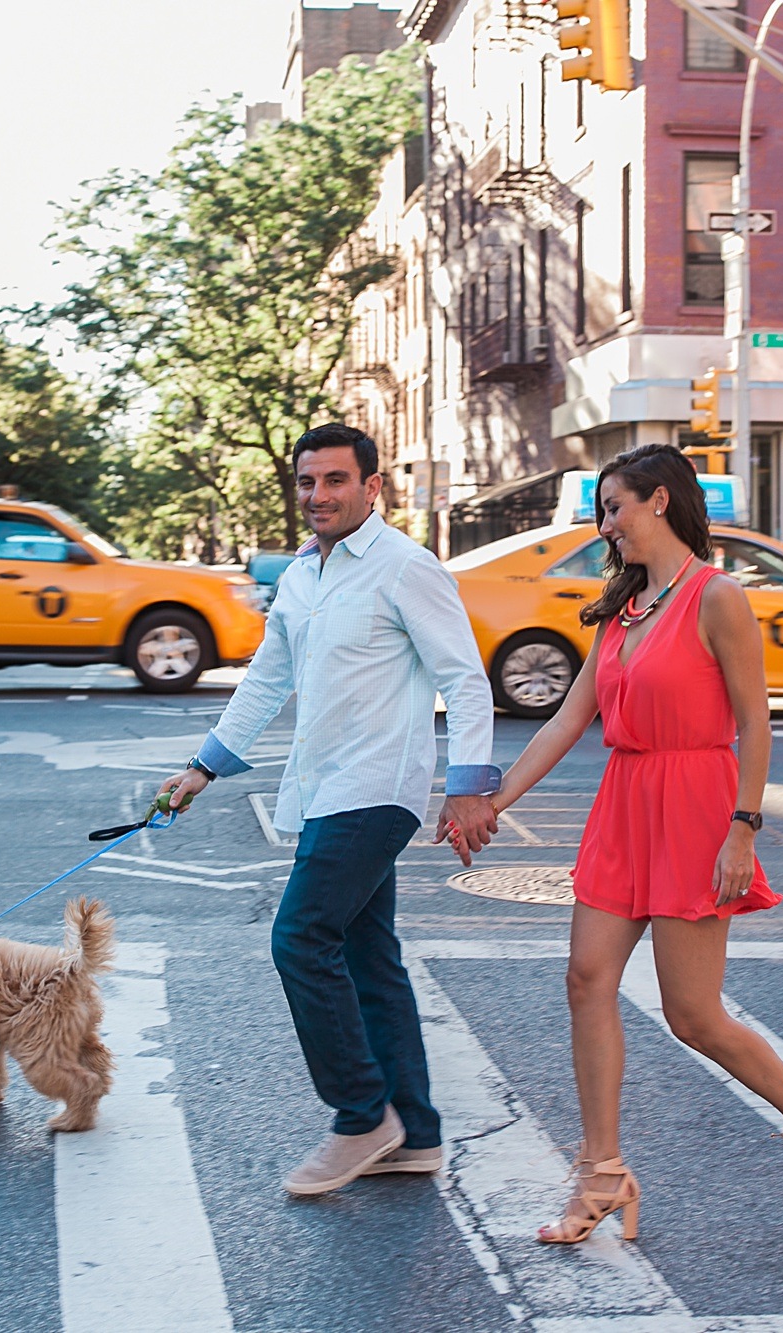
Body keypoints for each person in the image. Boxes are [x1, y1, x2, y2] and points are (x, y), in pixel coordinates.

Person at [481, 443, 783, 1245]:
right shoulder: (626, 608)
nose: (605, 525)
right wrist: (494, 800)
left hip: (698, 805)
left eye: (614, 506)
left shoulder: (716, 597)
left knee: (692, 1014)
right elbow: (566, 717)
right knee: (586, 979)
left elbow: (756, 720)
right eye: (601, 510)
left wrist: (743, 827)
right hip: (625, 803)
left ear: (659, 501)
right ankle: (601, 1172)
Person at [157, 423, 501, 1196]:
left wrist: (471, 783)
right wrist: (202, 766)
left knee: (300, 938)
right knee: (367, 956)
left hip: (377, 789)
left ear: (372, 487)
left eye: (336, 480)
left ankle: (359, 1115)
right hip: (322, 790)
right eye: (308, 482)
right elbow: (264, 681)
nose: (319, 496)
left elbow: (466, 678)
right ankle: (413, 1130)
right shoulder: (302, 578)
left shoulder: (406, 568)